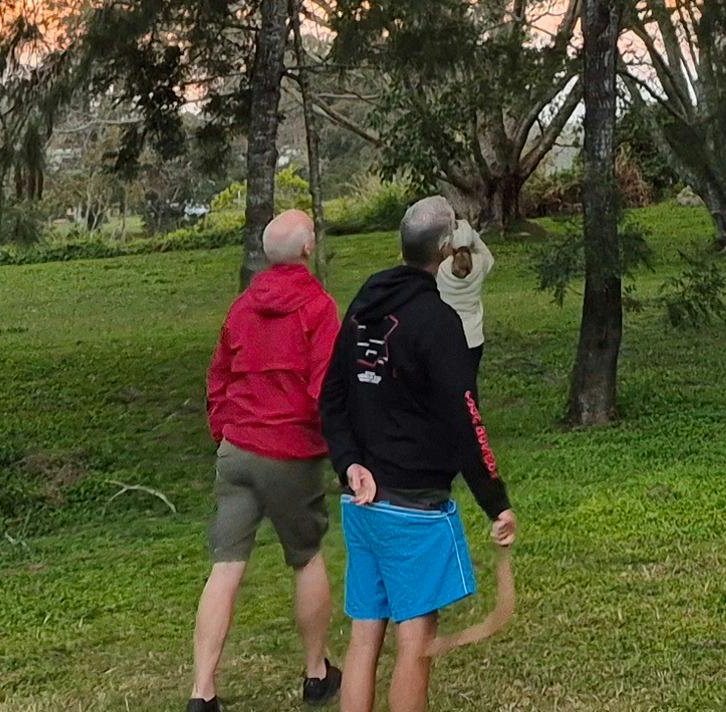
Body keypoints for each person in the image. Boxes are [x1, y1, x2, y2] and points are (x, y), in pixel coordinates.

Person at [320, 194, 517, 712]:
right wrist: (496, 501)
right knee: (415, 647)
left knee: (365, 637)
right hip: (413, 510)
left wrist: (347, 463)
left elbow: (331, 396)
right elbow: (465, 418)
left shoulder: (363, 305)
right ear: (447, 247)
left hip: (362, 505)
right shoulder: (437, 321)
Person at [192, 206, 345, 712]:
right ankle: (316, 672)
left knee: (225, 566)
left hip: (236, 450)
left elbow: (218, 376)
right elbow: (328, 389)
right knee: (306, 558)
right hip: (289, 453)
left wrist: (225, 433)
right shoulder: (318, 307)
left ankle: (203, 691)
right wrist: (346, 453)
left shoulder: (241, 307)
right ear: (307, 249)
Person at [435, 210, 491, 362]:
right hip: (474, 337)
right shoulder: (480, 264)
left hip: (447, 335)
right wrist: (473, 236)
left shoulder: (441, 269)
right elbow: (489, 258)